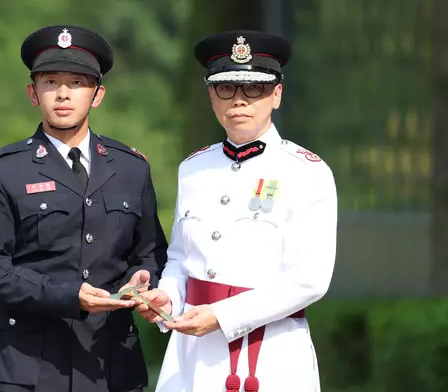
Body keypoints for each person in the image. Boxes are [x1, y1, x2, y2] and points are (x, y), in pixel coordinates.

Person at [0, 24, 168, 392]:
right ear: (33, 92)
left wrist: (145, 281)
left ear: (98, 94)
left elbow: (151, 254)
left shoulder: (131, 167)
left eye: (77, 83)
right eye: (50, 82)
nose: (62, 94)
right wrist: (67, 294)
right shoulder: (3, 169)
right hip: (24, 366)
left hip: (110, 365)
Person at [135, 30, 338, 392]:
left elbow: (308, 279)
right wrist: (167, 297)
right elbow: (181, 258)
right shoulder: (193, 168)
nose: (239, 101)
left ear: (276, 95)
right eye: (226, 88)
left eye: (254, 89)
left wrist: (223, 316)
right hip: (191, 354)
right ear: (211, 96)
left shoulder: (307, 171)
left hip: (271, 352)